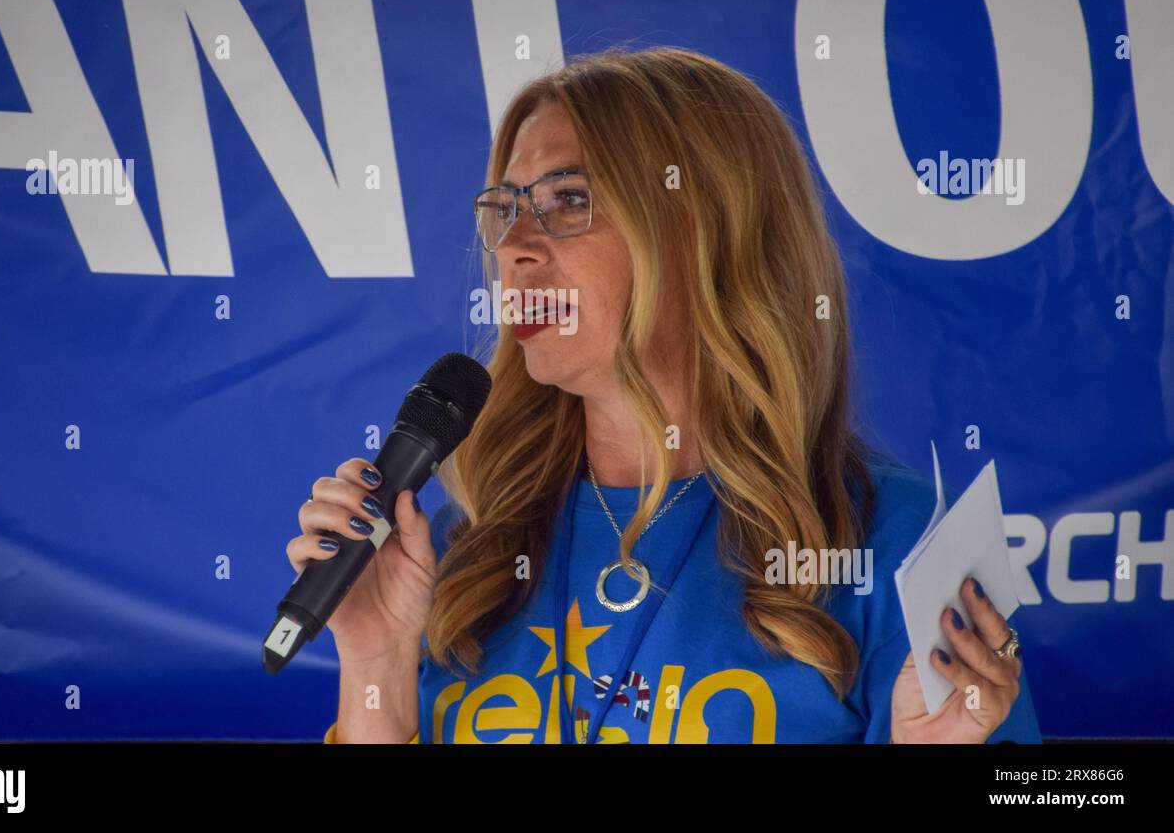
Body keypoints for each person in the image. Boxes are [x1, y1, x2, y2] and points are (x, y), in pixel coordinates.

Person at [288, 46, 1040, 744]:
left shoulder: (901, 541)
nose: (515, 244)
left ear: (708, 232)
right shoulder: (459, 548)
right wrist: (376, 665)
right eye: (506, 208)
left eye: (568, 198)